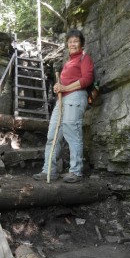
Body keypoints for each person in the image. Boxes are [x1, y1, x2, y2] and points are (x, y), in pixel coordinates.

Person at [33, 29, 94, 183]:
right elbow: (64, 83)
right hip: (62, 99)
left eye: (76, 41)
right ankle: (49, 170)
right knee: (52, 134)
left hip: (76, 97)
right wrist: (58, 86)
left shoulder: (84, 58)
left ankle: (76, 171)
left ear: (81, 44)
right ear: (67, 44)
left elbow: (87, 79)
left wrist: (65, 88)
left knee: (72, 133)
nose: (72, 44)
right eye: (70, 41)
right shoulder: (68, 62)